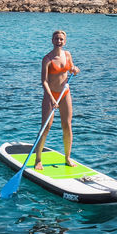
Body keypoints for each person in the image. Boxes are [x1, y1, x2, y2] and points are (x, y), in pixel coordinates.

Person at [35, 30, 80, 170]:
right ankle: (38, 160)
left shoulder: (67, 55)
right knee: (46, 127)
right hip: (51, 94)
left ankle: (67, 158)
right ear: (52, 40)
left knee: (67, 125)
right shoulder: (47, 59)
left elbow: (72, 68)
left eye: (61, 39)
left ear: (64, 41)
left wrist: (75, 69)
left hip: (65, 93)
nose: (59, 41)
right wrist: (51, 98)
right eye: (56, 39)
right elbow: (44, 82)